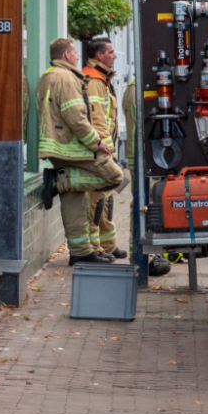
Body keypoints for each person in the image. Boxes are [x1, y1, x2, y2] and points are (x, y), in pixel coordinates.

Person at [38, 38, 129, 265]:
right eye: (75, 54)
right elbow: (76, 117)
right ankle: (58, 181)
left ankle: (80, 252)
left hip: (58, 147)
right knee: (116, 177)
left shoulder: (47, 76)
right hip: (73, 148)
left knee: (74, 197)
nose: (78, 58)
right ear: (67, 55)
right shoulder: (66, 77)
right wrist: (96, 143)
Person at [122, 73, 171, 277]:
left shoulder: (132, 88)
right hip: (145, 158)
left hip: (142, 157)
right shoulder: (140, 90)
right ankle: (142, 255)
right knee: (145, 204)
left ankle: (143, 253)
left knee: (144, 202)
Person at [83, 38, 127, 261]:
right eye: (111, 52)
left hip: (105, 148)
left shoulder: (102, 79)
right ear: (99, 55)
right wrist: (106, 151)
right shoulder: (92, 80)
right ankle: (94, 248)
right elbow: (97, 118)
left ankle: (108, 246)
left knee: (105, 200)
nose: (115, 55)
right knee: (96, 202)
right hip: (99, 150)